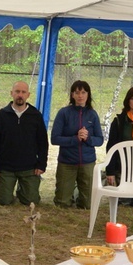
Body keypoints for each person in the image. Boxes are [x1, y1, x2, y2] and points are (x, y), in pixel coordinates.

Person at [0, 81, 48, 206]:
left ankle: (22, 190)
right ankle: (4, 189)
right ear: (11, 93)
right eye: (17, 92)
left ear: (28, 95)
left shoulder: (35, 115)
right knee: (3, 201)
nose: (20, 95)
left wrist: (41, 164)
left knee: (31, 201)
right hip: (6, 168)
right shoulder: (1, 115)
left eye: (23, 92)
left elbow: (43, 142)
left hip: (29, 167)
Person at [50, 80, 103, 209]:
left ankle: (79, 193)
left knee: (87, 205)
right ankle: (69, 191)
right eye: (77, 92)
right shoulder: (63, 113)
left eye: (83, 92)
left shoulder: (92, 114)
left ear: (88, 95)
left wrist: (88, 138)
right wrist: (75, 139)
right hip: (67, 162)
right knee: (62, 204)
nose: (80, 96)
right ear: (72, 95)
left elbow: (100, 140)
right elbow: (54, 139)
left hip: (87, 162)